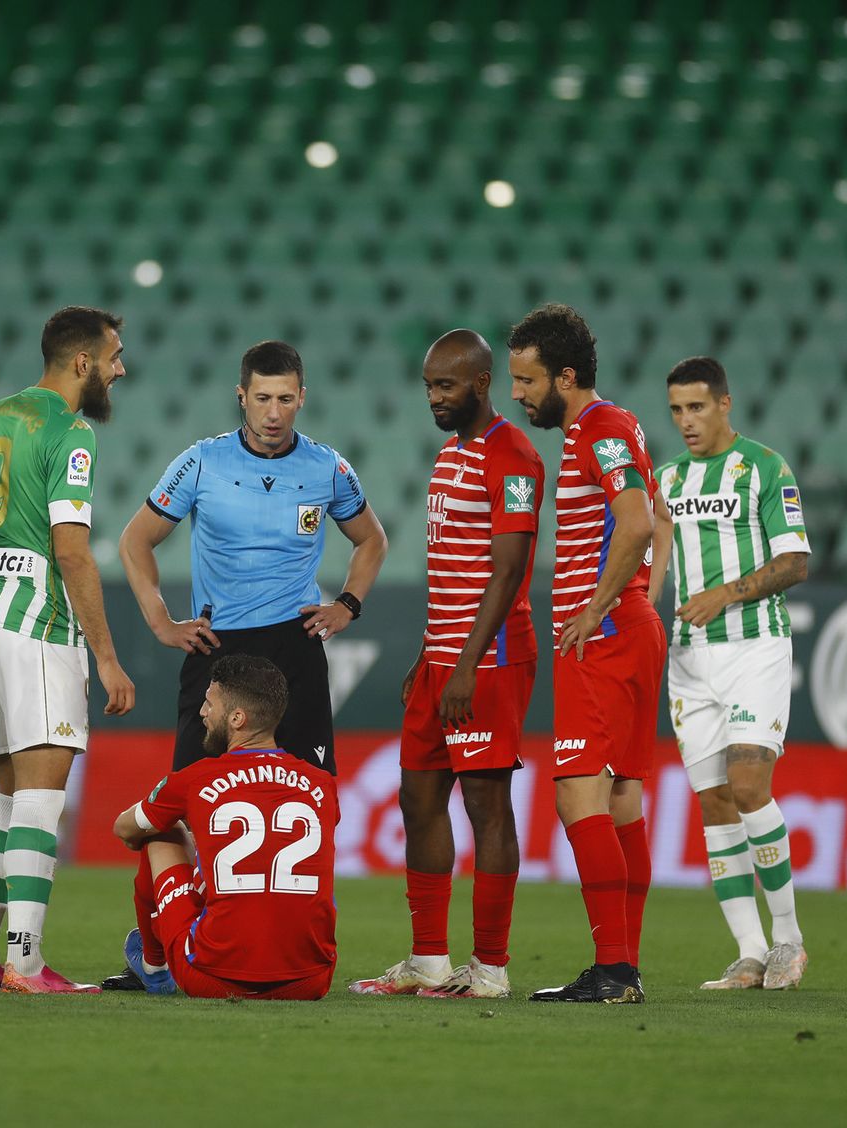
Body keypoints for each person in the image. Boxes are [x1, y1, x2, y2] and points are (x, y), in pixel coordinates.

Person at [103, 339, 385, 993]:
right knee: (176, 808)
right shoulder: (202, 462)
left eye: (285, 398)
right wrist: (161, 621)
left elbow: (371, 539)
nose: (274, 412)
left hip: (295, 646)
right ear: (241, 397)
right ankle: (155, 958)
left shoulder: (328, 469)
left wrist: (348, 603)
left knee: (315, 802)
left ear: (302, 398)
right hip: (217, 648)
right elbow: (135, 540)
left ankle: (294, 943)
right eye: (262, 398)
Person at [0, 306, 136, 995]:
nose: (120, 369)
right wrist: (106, 657)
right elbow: (72, 552)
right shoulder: (71, 433)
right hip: (42, 626)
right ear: (83, 363)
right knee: (41, 801)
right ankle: (24, 964)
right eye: (113, 357)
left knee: (8, 796)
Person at [350, 329, 544, 1000]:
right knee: (418, 795)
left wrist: (464, 664)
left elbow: (508, 572)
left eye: (446, 385)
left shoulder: (514, 457)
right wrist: (430, 653)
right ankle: (429, 959)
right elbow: (454, 571)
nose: (434, 397)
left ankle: (490, 968)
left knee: (487, 804)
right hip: (445, 655)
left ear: (481, 384)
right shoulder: (450, 452)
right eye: (429, 386)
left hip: (488, 661)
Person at [508, 303, 664, 1005]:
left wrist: (598, 608)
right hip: (629, 628)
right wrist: (632, 604)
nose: (518, 393)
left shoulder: (599, 429)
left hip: (602, 634)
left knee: (578, 793)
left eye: (528, 380)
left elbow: (635, 522)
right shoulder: (615, 426)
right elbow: (654, 517)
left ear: (565, 377)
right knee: (622, 799)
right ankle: (622, 969)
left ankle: (614, 969)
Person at [647, 356, 810, 990]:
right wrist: (641, 616)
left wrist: (727, 593)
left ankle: (789, 941)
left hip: (754, 648)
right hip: (688, 659)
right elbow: (656, 565)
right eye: (676, 410)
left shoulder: (766, 468)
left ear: (724, 404)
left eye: (696, 407)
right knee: (714, 801)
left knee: (747, 786)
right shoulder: (667, 480)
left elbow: (794, 561)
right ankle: (749, 951)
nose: (686, 421)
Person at [112, 654, 339, 999]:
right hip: (311, 980)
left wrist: (164, 830)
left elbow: (124, 828)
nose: (202, 713)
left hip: (211, 977)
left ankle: (154, 967)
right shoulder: (323, 784)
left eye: (209, 703)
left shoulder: (195, 779)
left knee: (162, 829)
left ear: (237, 718)